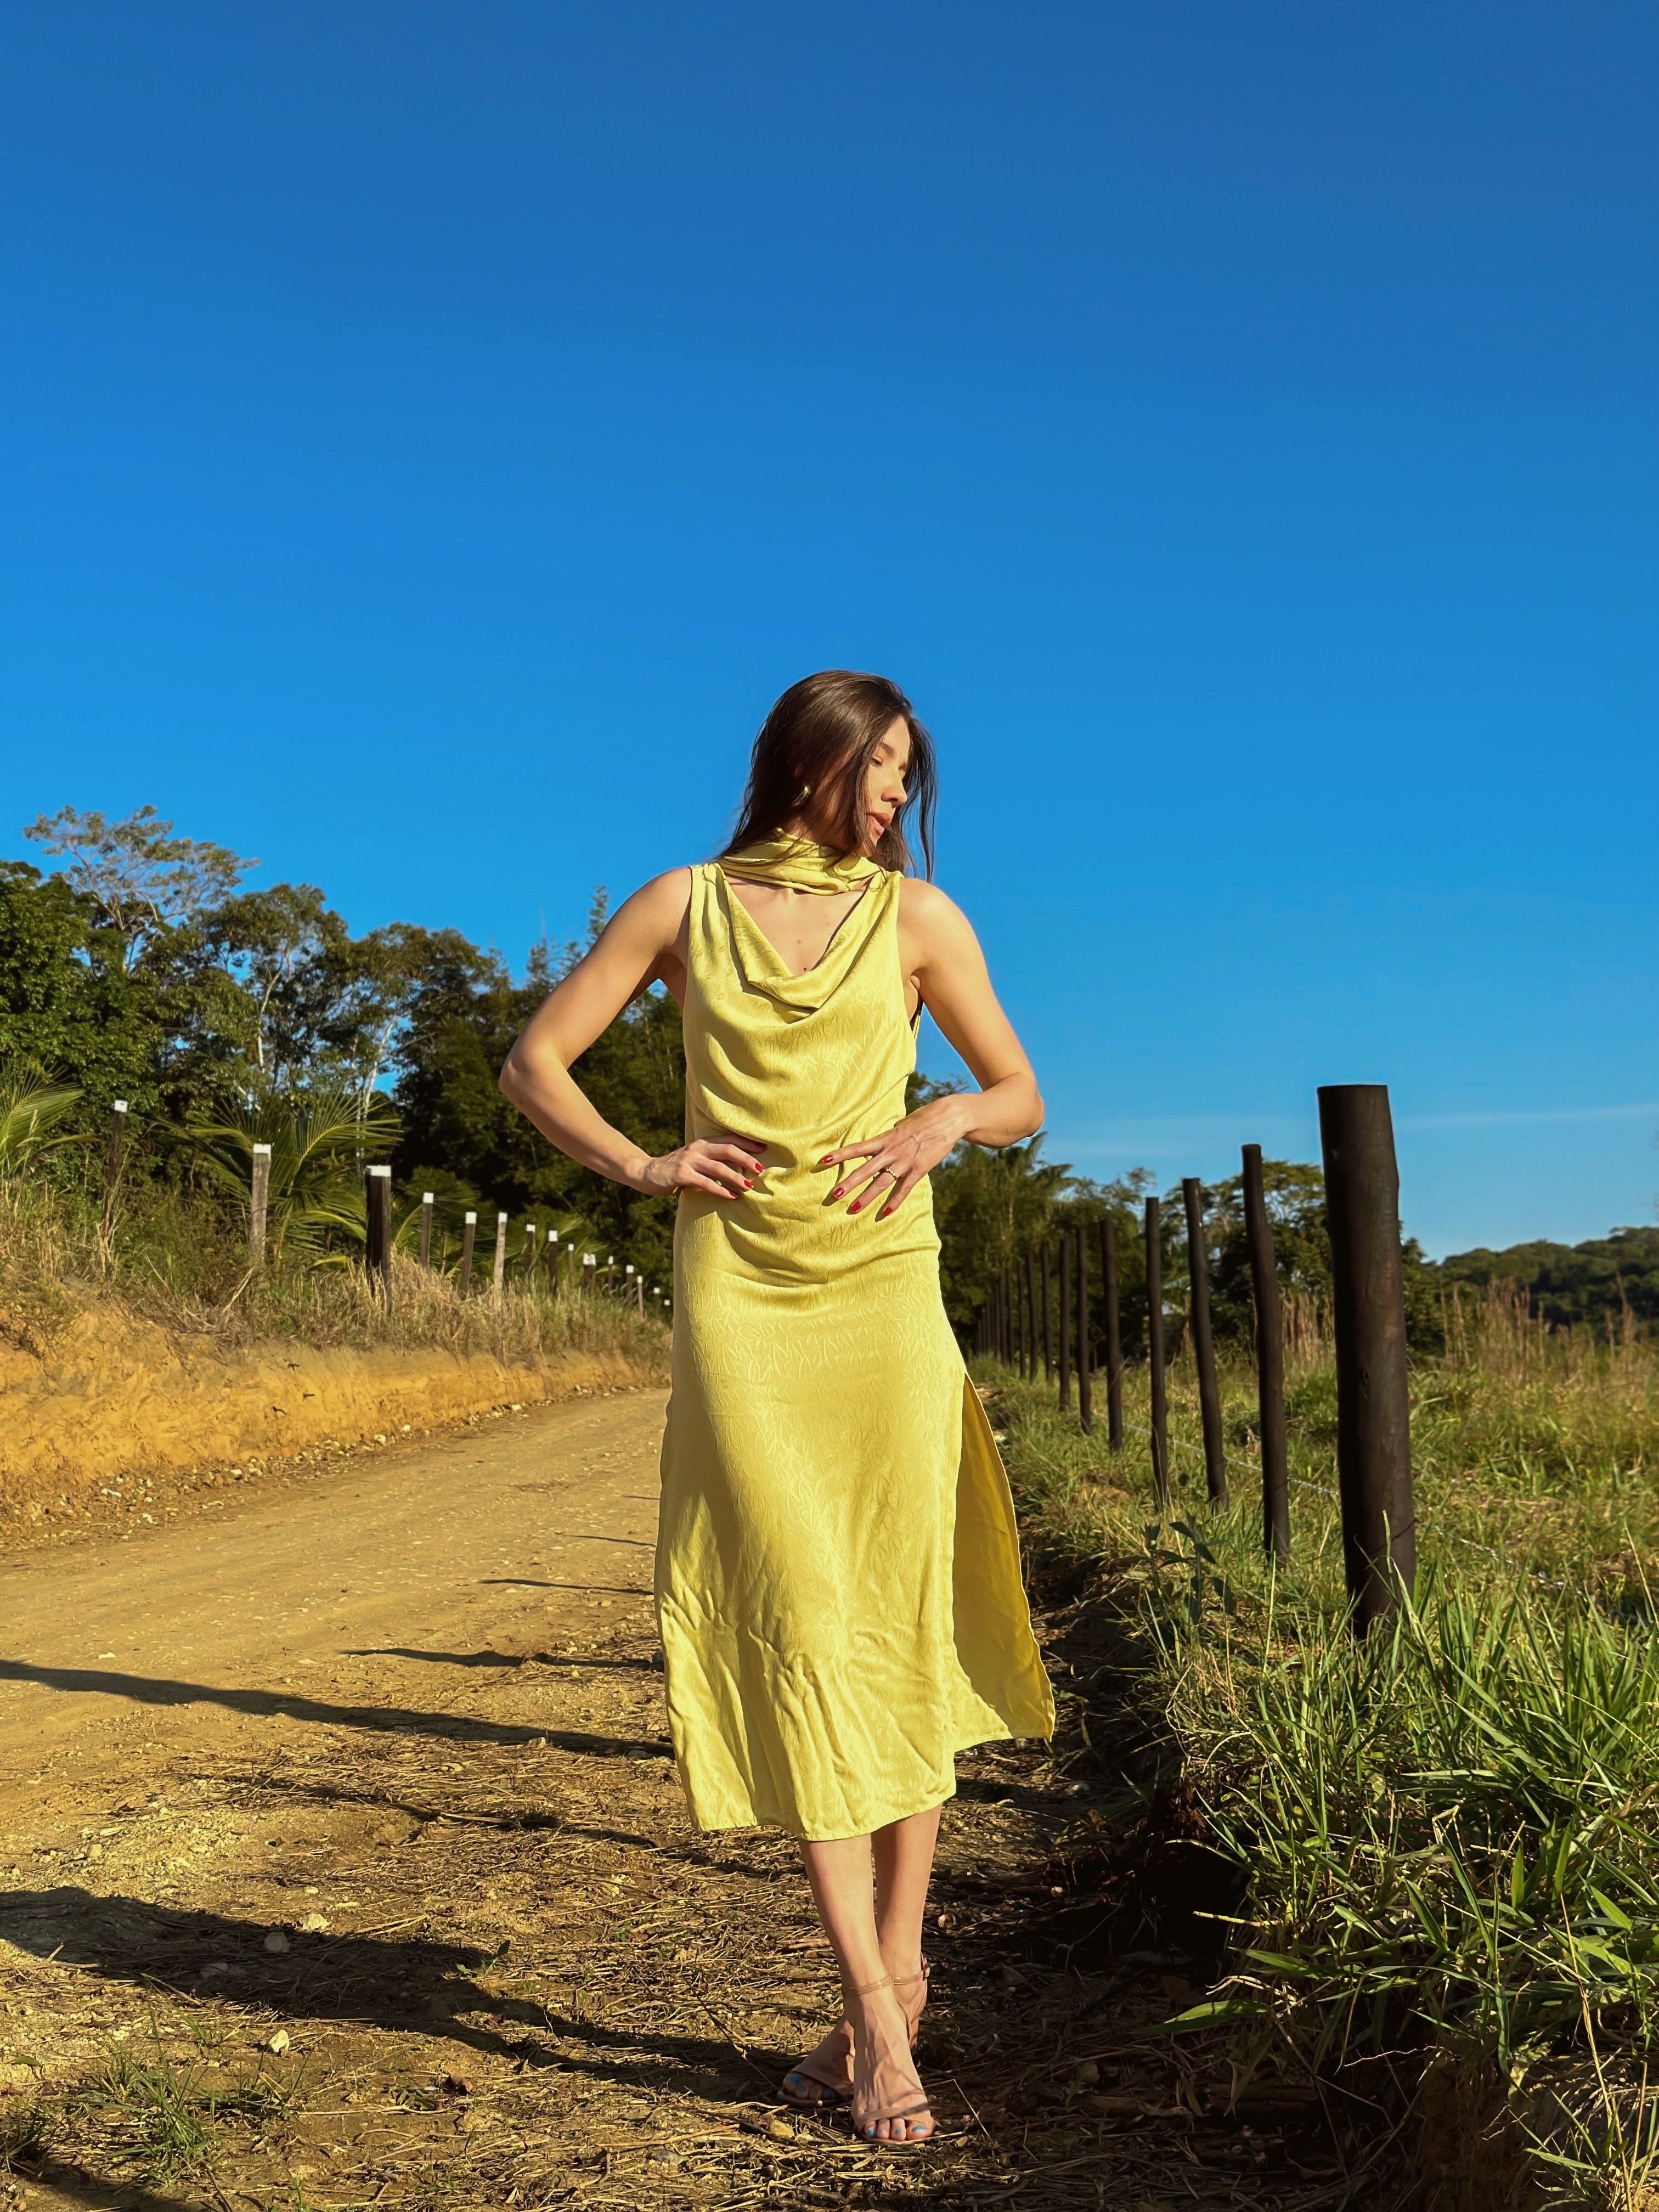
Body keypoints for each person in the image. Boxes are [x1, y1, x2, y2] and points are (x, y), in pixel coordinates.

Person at [499, 670, 1054, 2146]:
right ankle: (875, 2014)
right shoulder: (681, 904)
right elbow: (533, 1061)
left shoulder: (921, 921)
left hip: (884, 1300)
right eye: (883, 766)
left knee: (898, 1614)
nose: (898, 795)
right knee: (803, 1618)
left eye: (908, 775)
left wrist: (943, 1118)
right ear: (812, 758)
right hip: (745, 1302)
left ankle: (900, 1979)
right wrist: (641, 1165)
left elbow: (1019, 1094)